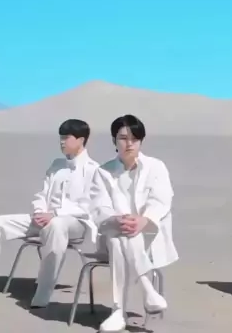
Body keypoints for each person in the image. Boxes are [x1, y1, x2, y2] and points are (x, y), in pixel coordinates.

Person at [0, 119, 98, 306]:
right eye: (61, 137)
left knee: (56, 225)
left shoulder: (94, 170)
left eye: (66, 137)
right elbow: (41, 194)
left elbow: (89, 206)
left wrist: (55, 214)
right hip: (44, 220)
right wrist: (40, 211)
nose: (62, 142)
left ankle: (43, 292)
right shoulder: (56, 165)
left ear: (81, 140)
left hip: (75, 224)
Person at [90, 114, 178, 332]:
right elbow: (98, 206)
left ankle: (118, 311)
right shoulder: (103, 171)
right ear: (114, 140)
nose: (129, 143)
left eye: (135, 139)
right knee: (119, 236)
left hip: (148, 235)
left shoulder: (156, 167)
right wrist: (116, 219)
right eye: (123, 138)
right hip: (114, 234)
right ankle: (148, 291)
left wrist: (143, 220)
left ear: (141, 141)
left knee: (123, 239)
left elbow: (162, 200)